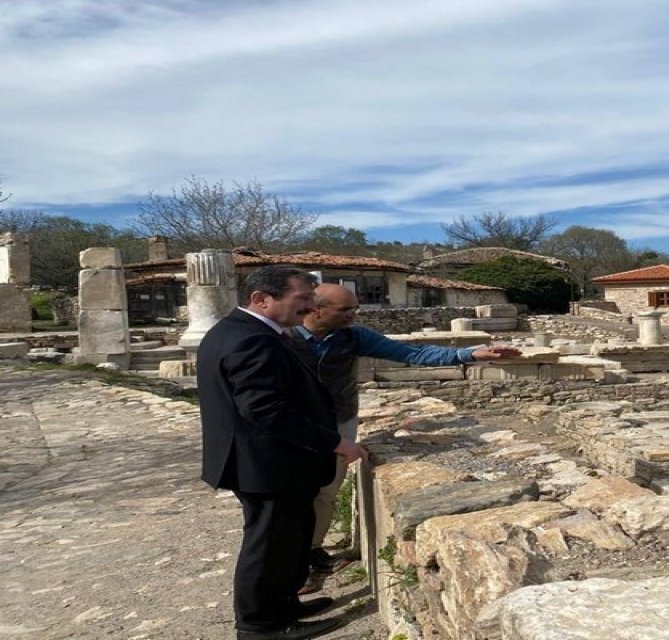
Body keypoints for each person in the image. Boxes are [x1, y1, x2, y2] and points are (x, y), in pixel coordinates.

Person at [289, 283, 520, 592]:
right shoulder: (283, 336)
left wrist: (470, 353)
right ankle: (287, 563)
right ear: (316, 309)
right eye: (345, 309)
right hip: (292, 425)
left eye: (355, 307)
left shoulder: (353, 336)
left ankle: (312, 553)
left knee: (325, 492)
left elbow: (411, 352)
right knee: (288, 495)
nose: (354, 315)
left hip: (338, 422)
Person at [199, 266, 367, 640]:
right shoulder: (252, 340)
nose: (309, 308)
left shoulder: (243, 331)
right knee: (268, 545)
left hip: (272, 463)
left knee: (288, 539)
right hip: (266, 464)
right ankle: (260, 626)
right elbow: (265, 409)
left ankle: (285, 605)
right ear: (262, 299)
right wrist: (336, 442)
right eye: (302, 300)